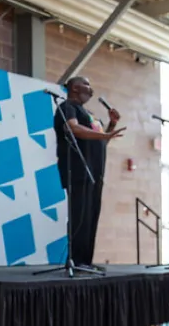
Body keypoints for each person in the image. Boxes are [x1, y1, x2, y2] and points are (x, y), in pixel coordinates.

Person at [53, 76, 125, 270]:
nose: (91, 92)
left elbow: (100, 142)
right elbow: (74, 128)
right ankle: (75, 261)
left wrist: (110, 126)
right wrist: (104, 134)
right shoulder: (67, 107)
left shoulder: (90, 114)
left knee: (91, 218)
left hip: (94, 173)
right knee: (80, 217)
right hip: (77, 172)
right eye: (88, 88)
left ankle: (85, 261)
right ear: (75, 88)